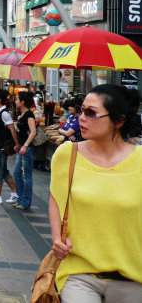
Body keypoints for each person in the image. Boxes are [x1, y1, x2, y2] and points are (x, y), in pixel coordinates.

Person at [50, 84, 142, 301]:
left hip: (133, 277)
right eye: (82, 110)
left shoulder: (139, 161)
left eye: (91, 113)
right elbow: (56, 201)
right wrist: (57, 239)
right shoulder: (67, 154)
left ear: (118, 121)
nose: (82, 117)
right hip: (78, 273)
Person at [13, 91, 37, 210]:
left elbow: (33, 132)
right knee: (17, 173)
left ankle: (25, 202)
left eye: (17, 99)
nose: (15, 101)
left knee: (26, 175)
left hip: (27, 149)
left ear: (22, 102)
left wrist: (25, 145)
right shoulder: (21, 114)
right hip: (22, 147)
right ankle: (20, 198)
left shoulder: (29, 115)